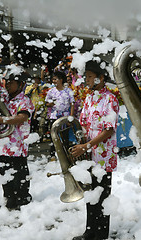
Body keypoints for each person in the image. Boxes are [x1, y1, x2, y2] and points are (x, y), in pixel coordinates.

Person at [70, 60, 119, 240]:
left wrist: (86, 145)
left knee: (102, 196)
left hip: (104, 156)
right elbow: (83, 123)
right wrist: (80, 140)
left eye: (90, 77)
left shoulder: (110, 99)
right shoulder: (90, 97)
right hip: (89, 154)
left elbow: (109, 129)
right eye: (87, 76)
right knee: (91, 194)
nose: (87, 80)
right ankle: (90, 231)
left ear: (100, 77)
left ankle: (100, 234)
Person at [0, 66, 35, 210]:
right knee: (5, 176)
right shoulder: (4, 98)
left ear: (20, 84)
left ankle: (22, 201)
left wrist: (1, 120)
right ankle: (9, 200)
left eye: (11, 82)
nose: (7, 85)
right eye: (6, 82)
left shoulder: (24, 101)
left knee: (19, 177)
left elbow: (22, 117)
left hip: (16, 147)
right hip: (1, 145)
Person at [45, 71, 74, 160]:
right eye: (53, 79)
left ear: (61, 80)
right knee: (54, 135)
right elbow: (46, 103)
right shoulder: (51, 91)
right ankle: (52, 154)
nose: (53, 81)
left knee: (65, 136)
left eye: (55, 79)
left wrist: (71, 118)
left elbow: (72, 104)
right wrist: (51, 104)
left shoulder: (68, 90)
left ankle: (65, 155)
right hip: (54, 116)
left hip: (65, 116)